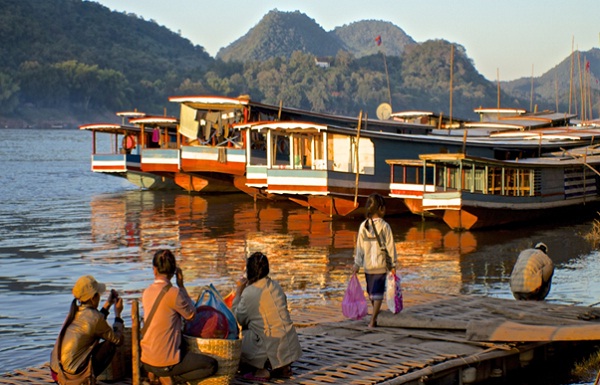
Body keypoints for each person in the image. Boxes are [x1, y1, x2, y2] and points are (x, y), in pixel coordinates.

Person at [140, 249, 217, 385]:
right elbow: (191, 315)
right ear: (174, 272)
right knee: (211, 365)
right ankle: (172, 378)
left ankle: (158, 374)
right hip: (164, 363)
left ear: (154, 270)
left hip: (146, 360)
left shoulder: (146, 292)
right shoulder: (174, 293)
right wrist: (181, 285)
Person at [233, 252, 302, 381]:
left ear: (250, 271)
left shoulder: (249, 293)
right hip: (290, 348)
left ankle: (261, 370)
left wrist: (238, 292)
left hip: (271, 349)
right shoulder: (275, 286)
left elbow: (237, 318)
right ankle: (282, 366)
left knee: (241, 337)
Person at [50, 275, 124, 384]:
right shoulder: (94, 318)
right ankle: (87, 379)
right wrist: (118, 315)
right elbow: (117, 339)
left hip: (56, 371)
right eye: (98, 294)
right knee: (111, 345)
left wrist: (108, 304)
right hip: (71, 376)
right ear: (93, 298)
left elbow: (93, 322)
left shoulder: (74, 311)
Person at [352, 193, 397, 327]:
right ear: (381, 209)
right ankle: (375, 316)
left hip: (369, 265)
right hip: (380, 264)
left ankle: (372, 320)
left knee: (374, 293)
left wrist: (357, 263)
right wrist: (393, 264)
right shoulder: (385, 226)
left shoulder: (363, 226)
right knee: (374, 293)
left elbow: (359, 247)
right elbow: (390, 246)